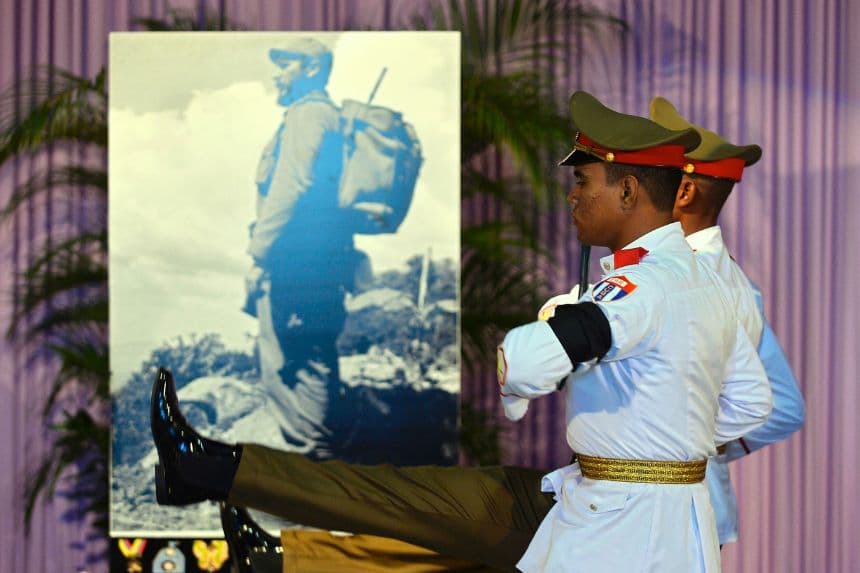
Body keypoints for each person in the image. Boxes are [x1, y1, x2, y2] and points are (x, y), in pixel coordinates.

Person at [151, 91, 771, 572]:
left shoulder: (639, 287)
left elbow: (532, 360)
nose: (572, 197)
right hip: (604, 495)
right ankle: (221, 478)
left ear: (629, 189)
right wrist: (667, 435)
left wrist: (536, 348)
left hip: (619, 528)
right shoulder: (719, 281)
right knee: (419, 502)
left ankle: (224, 483)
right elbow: (750, 403)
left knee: (414, 505)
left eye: (583, 181)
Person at [649, 96, 806, 546]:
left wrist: (697, 439)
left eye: (653, 175)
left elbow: (781, 408)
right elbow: (786, 406)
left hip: (674, 514)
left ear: (684, 191)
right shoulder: (724, 276)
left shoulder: (697, 280)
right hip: (681, 510)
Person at [245, 38, 365, 458]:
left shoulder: (309, 114)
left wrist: (259, 252)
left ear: (311, 69)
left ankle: (315, 466)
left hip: (299, 265)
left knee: (300, 359)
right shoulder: (319, 116)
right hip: (314, 262)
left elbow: (289, 187)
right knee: (307, 354)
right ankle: (316, 460)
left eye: (286, 65)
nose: (278, 74)